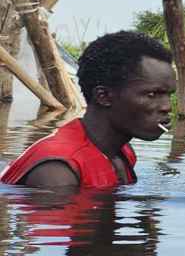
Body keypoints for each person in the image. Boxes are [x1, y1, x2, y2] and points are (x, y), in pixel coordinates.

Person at [2, 31, 175, 190]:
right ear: (104, 96)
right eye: (152, 94)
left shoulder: (123, 152)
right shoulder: (57, 172)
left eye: (168, 95)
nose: (167, 106)